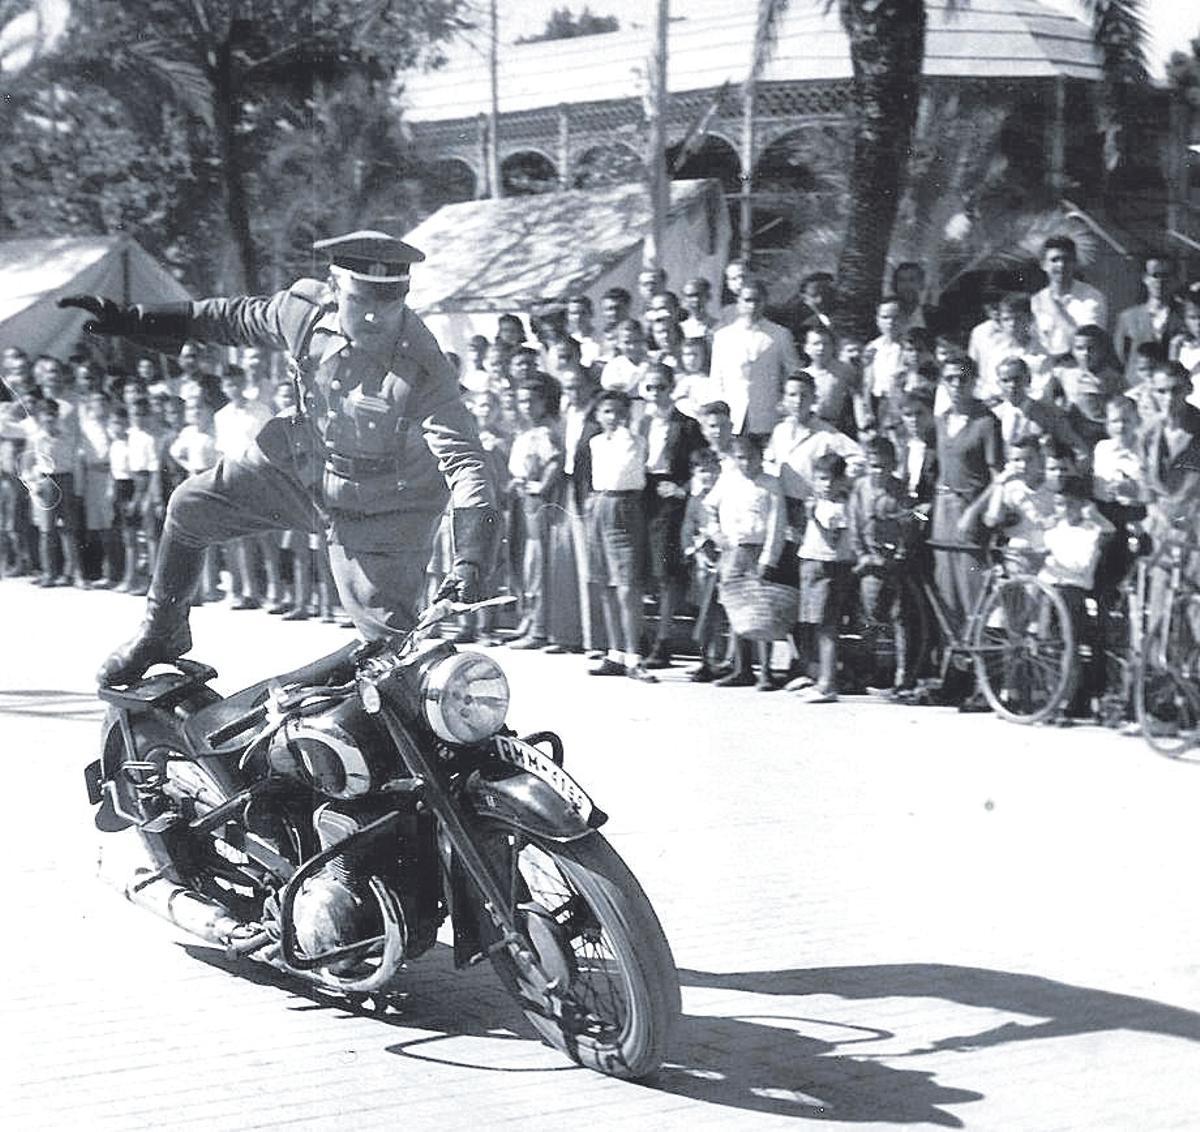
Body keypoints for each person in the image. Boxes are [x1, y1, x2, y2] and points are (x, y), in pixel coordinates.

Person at [61, 230, 497, 685]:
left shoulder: (425, 367)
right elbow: (233, 318)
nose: (373, 314)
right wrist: (134, 319)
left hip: (385, 510)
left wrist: (471, 558)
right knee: (190, 506)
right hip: (301, 470)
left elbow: (466, 463)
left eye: (388, 301)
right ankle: (162, 631)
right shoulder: (304, 311)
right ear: (333, 288)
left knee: (391, 655)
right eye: (361, 298)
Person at [931, 358, 1003, 698]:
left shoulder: (987, 422)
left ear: (973, 381)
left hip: (970, 515)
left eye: (962, 379)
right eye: (949, 379)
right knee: (948, 598)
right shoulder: (942, 419)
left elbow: (998, 477)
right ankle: (955, 678)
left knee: (974, 597)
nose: (955, 386)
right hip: (943, 513)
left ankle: (983, 682)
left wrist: (974, 511)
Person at [583, 389, 657, 683]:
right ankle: (615, 654)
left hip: (626, 506)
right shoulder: (595, 442)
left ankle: (634, 656)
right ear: (598, 415)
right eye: (606, 411)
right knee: (605, 584)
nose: (612, 417)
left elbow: (626, 469)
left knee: (628, 586)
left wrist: (627, 427)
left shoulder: (635, 441)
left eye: (618, 411)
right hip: (600, 505)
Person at [705, 434, 786, 690]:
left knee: (761, 611)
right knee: (736, 610)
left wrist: (769, 558)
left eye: (751, 457)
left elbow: (776, 524)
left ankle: (766, 671)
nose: (747, 463)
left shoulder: (770, 484)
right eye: (740, 458)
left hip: (758, 550)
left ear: (761, 457)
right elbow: (708, 508)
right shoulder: (728, 480)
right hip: (733, 550)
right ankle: (742, 668)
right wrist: (715, 532)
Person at [637, 362, 704, 668]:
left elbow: (702, 465)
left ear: (671, 388)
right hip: (642, 495)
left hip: (669, 498)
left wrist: (682, 489)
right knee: (641, 571)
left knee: (666, 573)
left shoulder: (687, 425)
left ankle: (663, 641)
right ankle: (640, 639)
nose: (655, 394)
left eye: (660, 387)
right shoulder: (640, 423)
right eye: (649, 388)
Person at [792, 451, 854, 703]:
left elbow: (832, 539)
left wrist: (813, 516)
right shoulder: (820, 503)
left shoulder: (839, 507)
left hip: (828, 568)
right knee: (813, 624)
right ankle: (816, 676)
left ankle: (828, 683)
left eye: (830, 479)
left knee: (827, 627)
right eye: (820, 479)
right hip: (811, 563)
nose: (826, 485)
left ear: (841, 481)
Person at [506, 376, 562, 650]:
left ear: (543, 402)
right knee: (524, 561)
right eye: (522, 401)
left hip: (536, 501)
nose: (526, 406)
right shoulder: (526, 431)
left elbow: (554, 461)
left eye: (532, 401)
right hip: (521, 498)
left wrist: (540, 486)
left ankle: (539, 627)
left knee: (536, 562)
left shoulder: (546, 431)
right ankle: (528, 619)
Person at [710, 280, 802, 439]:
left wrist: (786, 405)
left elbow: (793, 374)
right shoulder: (723, 336)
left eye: (757, 300)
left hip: (766, 415)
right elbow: (716, 378)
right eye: (747, 300)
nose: (752, 306)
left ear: (765, 302)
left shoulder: (780, 335)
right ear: (739, 302)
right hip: (731, 415)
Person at [22, 398, 87, 588]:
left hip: (65, 479)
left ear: (58, 416)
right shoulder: (35, 439)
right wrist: (33, 485)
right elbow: (26, 465)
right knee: (47, 530)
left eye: (53, 414)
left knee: (69, 529)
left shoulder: (67, 436)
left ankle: (74, 574)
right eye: (46, 414)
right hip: (45, 482)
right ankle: (49, 573)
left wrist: (78, 489)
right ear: (40, 417)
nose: (50, 418)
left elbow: (75, 462)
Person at [1030, 235, 1108, 357]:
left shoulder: (1091, 297)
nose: (1061, 265)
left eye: (1067, 259)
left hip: (1076, 368)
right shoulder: (1036, 300)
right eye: (1054, 260)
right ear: (1043, 265)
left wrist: (1056, 312)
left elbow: (1090, 343)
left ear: (1075, 263)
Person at [1114, 255, 1181, 386]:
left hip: (1171, 388)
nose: (1160, 281)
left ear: (1175, 279)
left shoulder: (1183, 317)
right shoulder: (1128, 317)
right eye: (1155, 275)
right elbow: (1120, 357)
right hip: (1136, 387)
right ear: (1145, 278)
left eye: (1165, 275)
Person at [800, 324, 858, 438]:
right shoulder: (803, 375)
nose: (821, 348)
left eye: (825, 344)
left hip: (837, 426)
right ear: (806, 348)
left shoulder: (844, 370)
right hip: (811, 427)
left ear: (833, 347)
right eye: (816, 344)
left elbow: (857, 394)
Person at [599, 318, 650, 395]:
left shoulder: (655, 361)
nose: (633, 347)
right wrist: (640, 374)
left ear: (643, 339)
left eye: (636, 341)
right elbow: (620, 394)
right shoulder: (613, 367)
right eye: (627, 342)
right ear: (618, 343)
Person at [680, 277, 716, 345]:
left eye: (699, 295)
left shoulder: (719, 326)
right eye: (690, 296)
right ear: (684, 299)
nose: (695, 300)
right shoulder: (680, 329)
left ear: (708, 296)